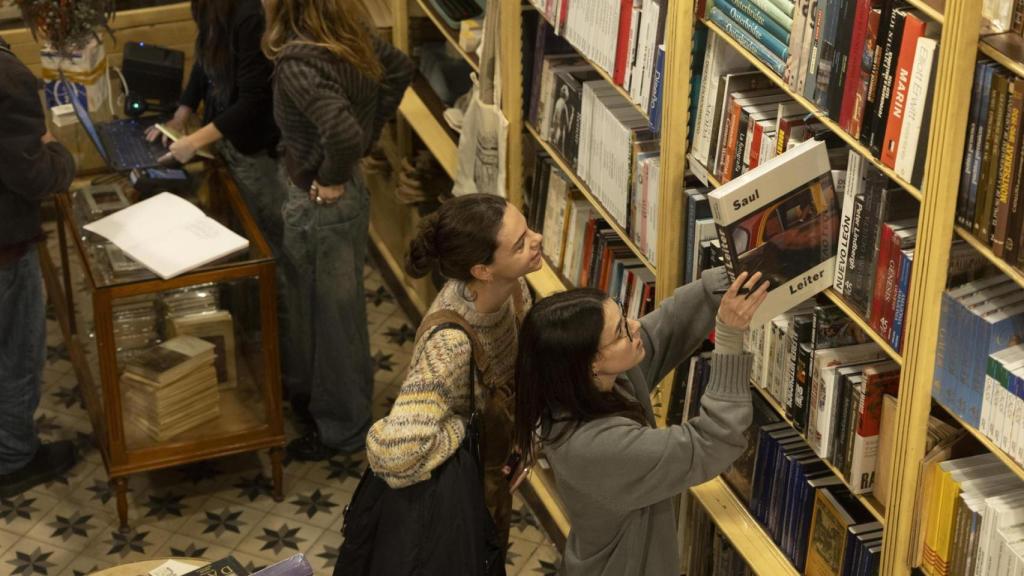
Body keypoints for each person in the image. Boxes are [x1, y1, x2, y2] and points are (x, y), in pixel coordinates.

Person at [514, 269, 770, 575]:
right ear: (591, 362)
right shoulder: (595, 448)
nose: (635, 326)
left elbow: (661, 332)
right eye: (621, 331)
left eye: (624, 316)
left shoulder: (585, 383)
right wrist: (729, 337)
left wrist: (723, 281)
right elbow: (713, 442)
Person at [262, 0, 416, 460]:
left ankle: (343, 430)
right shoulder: (350, 40)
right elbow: (401, 68)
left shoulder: (298, 63)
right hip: (343, 196)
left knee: (332, 319)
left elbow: (342, 134)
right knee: (334, 313)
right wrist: (367, 137)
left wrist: (330, 176)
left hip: (322, 201)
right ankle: (330, 410)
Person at [366, 193, 544, 550]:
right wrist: (466, 436)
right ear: (482, 271)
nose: (538, 239)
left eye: (528, 229)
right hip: (457, 501)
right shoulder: (449, 346)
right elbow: (392, 454)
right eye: (521, 243)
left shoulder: (516, 289)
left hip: (494, 481)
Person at [0, 35, 78, 497]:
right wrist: (57, 153)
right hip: (5, 247)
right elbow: (33, 175)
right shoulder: (7, 76)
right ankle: (14, 460)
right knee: (16, 355)